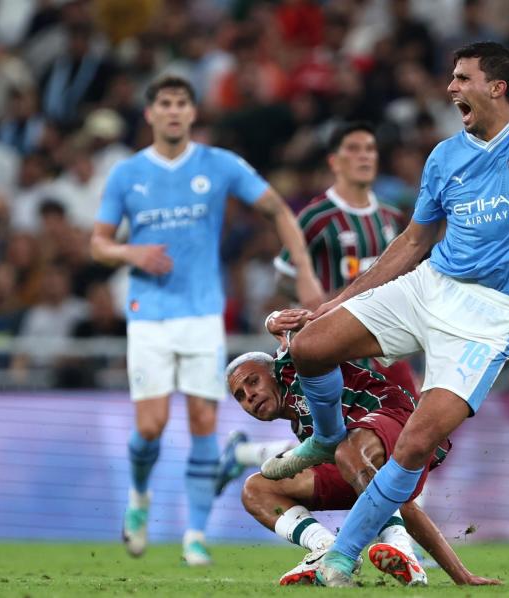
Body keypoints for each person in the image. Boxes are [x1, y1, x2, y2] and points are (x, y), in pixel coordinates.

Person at [261, 1, 509, 586]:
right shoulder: (445, 157)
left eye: (462, 79)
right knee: (309, 347)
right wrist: (333, 304)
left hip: (488, 318)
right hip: (430, 284)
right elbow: (413, 240)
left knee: (414, 443)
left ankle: (340, 558)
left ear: (497, 86)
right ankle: (327, 439)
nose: (450, 88)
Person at [89, 74, 323, 566]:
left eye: (182, 104)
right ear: (150, 114)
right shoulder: (127, 173)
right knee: (150, 426)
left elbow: (277, 209)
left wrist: (303, 270)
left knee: (202, 424)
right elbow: (98, 243)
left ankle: (194, 535)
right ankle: (138, 497)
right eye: (164, 104)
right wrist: (132, 251)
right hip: (149, 314)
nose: (173, 112)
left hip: (201, 316)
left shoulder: (218, 165)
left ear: (193, 113)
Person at [218, 309, 497, 587]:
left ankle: (394, 546)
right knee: (257, 489)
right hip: (358, 457)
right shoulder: (302, 426)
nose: (250, 395)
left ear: (273, 373)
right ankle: (326, 549)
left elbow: (312, 327)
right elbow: (400, 503)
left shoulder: (289, 365)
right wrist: (462, 577)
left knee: (349, 452)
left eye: (253, 381)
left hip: (395, 415)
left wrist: (273, 319)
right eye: (240, 396)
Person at [272, 120, 418, 394]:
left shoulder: (391, 215)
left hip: (384, 350)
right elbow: (283, 276)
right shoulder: (316, 217)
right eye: (353, 149)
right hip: (335, 354)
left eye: (370, 149)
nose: (364, 155)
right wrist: (321, 302)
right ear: (334, 161)